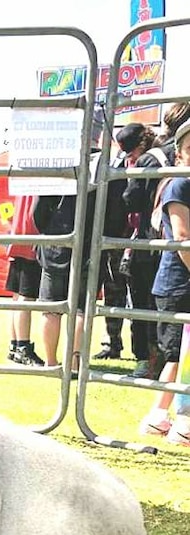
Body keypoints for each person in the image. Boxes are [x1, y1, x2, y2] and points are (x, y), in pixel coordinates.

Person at [32, 107, 129, 372]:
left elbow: (38, 210)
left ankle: (51, 363)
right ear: (99, 134)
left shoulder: (60, 160)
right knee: (82, 309)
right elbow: (118, 211)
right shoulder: (110, 165)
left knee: (51, 308)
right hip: (91, 243)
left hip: (57, 242)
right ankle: (74, 364)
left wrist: (49, 232)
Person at [142, 118, 190, 443]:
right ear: (180, 153)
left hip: (180, 280)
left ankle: (161, 418)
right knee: (178, 354)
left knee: (180, 353)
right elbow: (183, 236)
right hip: (178, 281)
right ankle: (178, 422)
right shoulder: (180, 185)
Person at [113, 123, 161, 376]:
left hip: (146, 241)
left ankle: (145, 359)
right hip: (161, 238)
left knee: (142, 302)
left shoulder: (146, 161)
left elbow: (130, 199)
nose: (130, 158)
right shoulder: (167, 156)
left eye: (129, 153)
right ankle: (160, 358)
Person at [4, 193, 45, 366]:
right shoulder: (38, 182)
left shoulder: (23, 180)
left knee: (17, 296)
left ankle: (15, 346)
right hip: (31, 240)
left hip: (18, 236)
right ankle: (22, 347)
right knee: (25, 297)